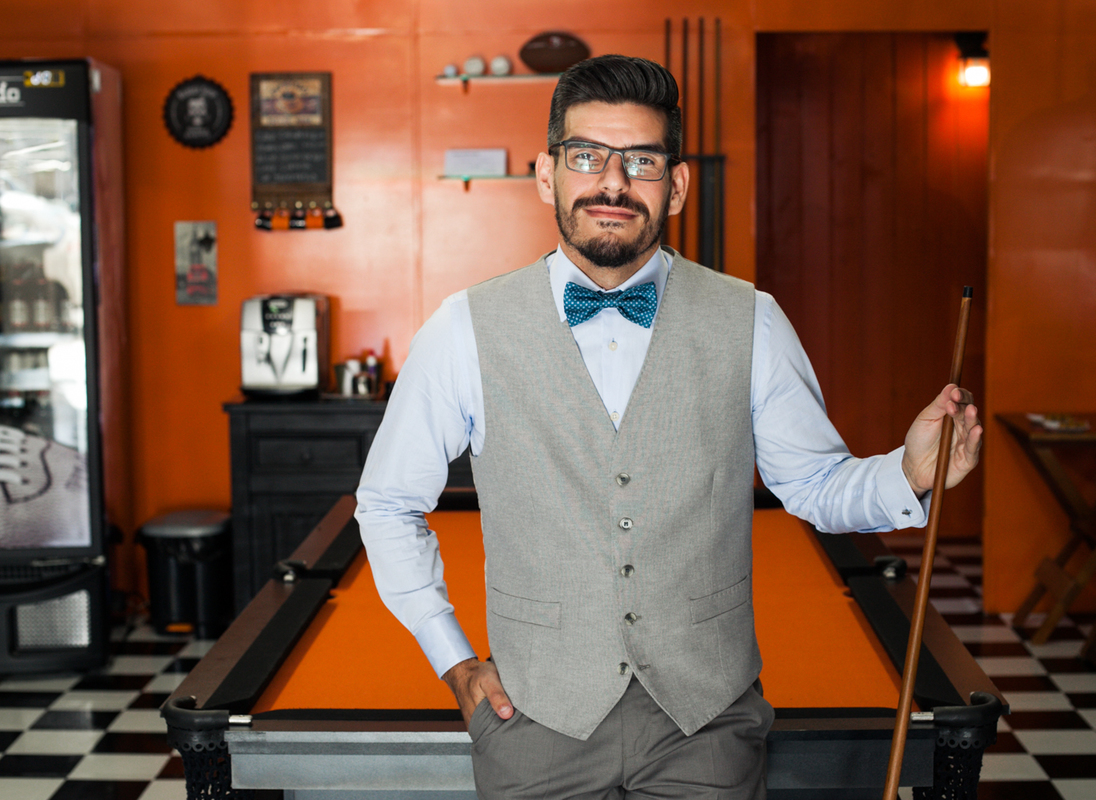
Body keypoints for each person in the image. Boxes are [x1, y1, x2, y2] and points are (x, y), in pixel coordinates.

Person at [355, 54, 982, 800]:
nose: (612, 183)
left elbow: (815, 484)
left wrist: (908, 471)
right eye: (586, 156)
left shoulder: (752, 319)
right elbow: (387, 503)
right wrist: (454, 661)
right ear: (547, 175)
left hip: (708, 726)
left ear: (676, 185)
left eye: (642, 161)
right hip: (533, 724)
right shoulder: (463, 328)